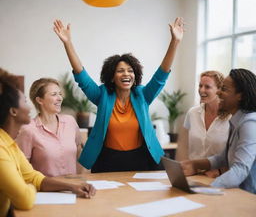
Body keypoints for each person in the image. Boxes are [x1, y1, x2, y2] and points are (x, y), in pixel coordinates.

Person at [53, 17, 185, 172]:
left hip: (141, 158)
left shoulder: (142, 95)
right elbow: (82, 77)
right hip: (108, 160)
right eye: (120, 71)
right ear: (112, 76)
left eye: (130, 71)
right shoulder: (102, 95)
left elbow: (161, 76)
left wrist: (174, 42)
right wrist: (67, 43)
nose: (126, 74)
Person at [0, 69, 95, 217]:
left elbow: (33, 177)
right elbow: (26, 189)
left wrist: (72, 185)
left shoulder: (10, 144)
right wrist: (33, 188)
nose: (29, 107)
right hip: (42, 201)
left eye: (60, 94)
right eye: (24, 102)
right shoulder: (11, 142)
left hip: (67, 192)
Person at [181, 68, 256, 194]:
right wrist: (195, 164)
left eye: (224, 89)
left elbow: (240, 169)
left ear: (240, 96)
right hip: (233, 191)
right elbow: (223, 157)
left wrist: (208, 188)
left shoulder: (249, 123)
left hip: (247, 196)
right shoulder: (236, 120)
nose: (219, 93)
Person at [16, 78, 83, 177]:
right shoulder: (28, 129)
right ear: (39, 100)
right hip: (45, 190)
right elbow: (22, 169)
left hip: (73, 188)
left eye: (60, 94)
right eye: (54, 94)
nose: (60, 98)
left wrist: (77, 178)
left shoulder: (70, 122)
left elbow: (78, 149)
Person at [176, 71, 230, 177]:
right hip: (192, 176)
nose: (201, 90)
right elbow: (183, 146)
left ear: (219, 90)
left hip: (218, 177)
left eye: (207, 87)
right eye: (200, 86)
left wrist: (219, 172)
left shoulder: (230, 117)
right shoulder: (192, 113)